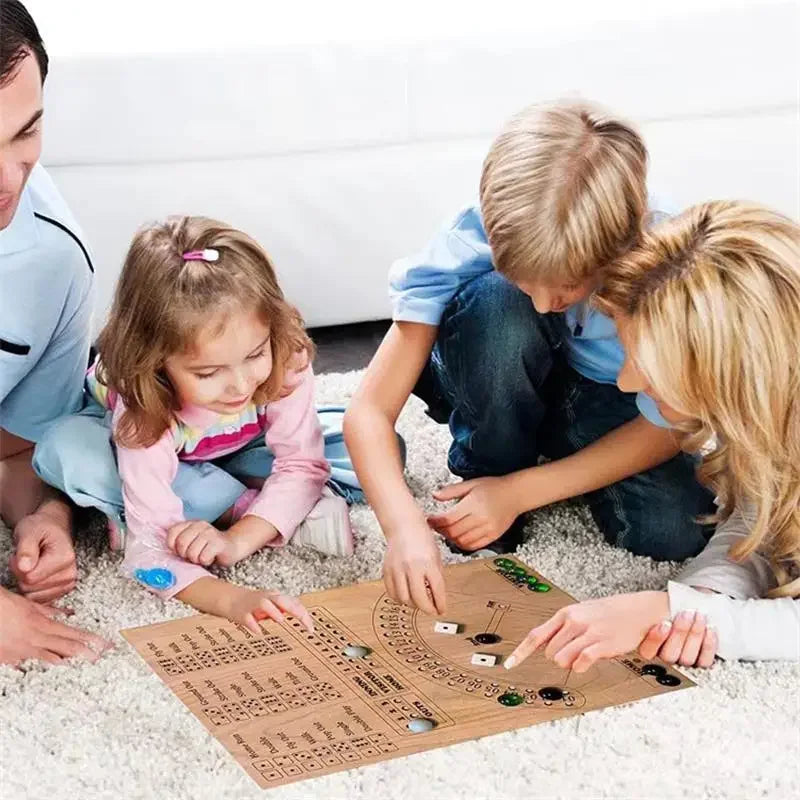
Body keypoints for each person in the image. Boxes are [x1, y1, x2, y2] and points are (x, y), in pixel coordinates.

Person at [344, 100, 714, 616]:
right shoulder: (470, 237)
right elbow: (367, 411)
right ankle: (489, 465)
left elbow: (672, 423)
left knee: (675, 532)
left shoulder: (672, 266)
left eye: (566, 288)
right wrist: (402, 527)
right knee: (501, 309)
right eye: (526, 279)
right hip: (490, 361)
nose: (544, 304)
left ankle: (524, 469)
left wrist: (521, 492)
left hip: (611, 398)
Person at [506, 201, 800, 670]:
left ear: (733, 368)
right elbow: (761, 520)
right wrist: (701, 599)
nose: (625, 382)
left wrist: (684, 612)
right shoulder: (769, 416)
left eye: (646, 361)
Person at [34, 216, 357, 634]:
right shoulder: (143, 404)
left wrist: (238, 539)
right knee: (70, 453)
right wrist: (232, 598)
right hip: (136, 448)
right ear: (156, 362)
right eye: (208, 373)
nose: (241, 384)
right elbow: (150, 551)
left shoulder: (283, 354)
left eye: (255, 355)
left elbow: (302, 463)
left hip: (237, 448)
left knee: (366, 443)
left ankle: (222, 507)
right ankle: (255, 508)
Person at [0, 0, 110, 665]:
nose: (8, 180)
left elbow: (15, 447)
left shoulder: (54, 261)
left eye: (25, 133)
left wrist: (44, 514)